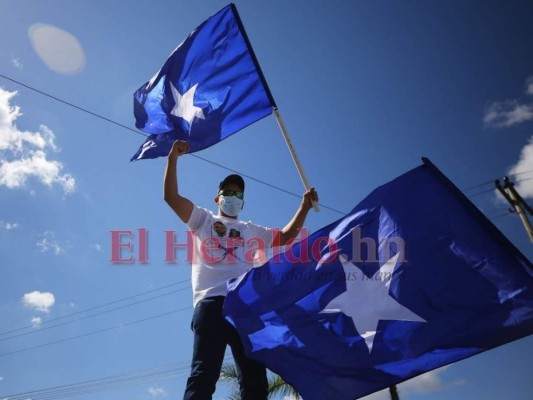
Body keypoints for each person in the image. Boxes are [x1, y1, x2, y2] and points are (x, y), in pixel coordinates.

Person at [164, 139, 319, 400]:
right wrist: (172, 158)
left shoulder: (250, 229)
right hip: (211, 303)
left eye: (238, 195)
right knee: (204, 375)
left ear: (243, 203)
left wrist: (303, 207)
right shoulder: (204, 219)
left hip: (245, 306)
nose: (233, 197)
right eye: (228, 192)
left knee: (255, 381)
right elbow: (171, 197)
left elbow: (286, 236)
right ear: (218, 197)